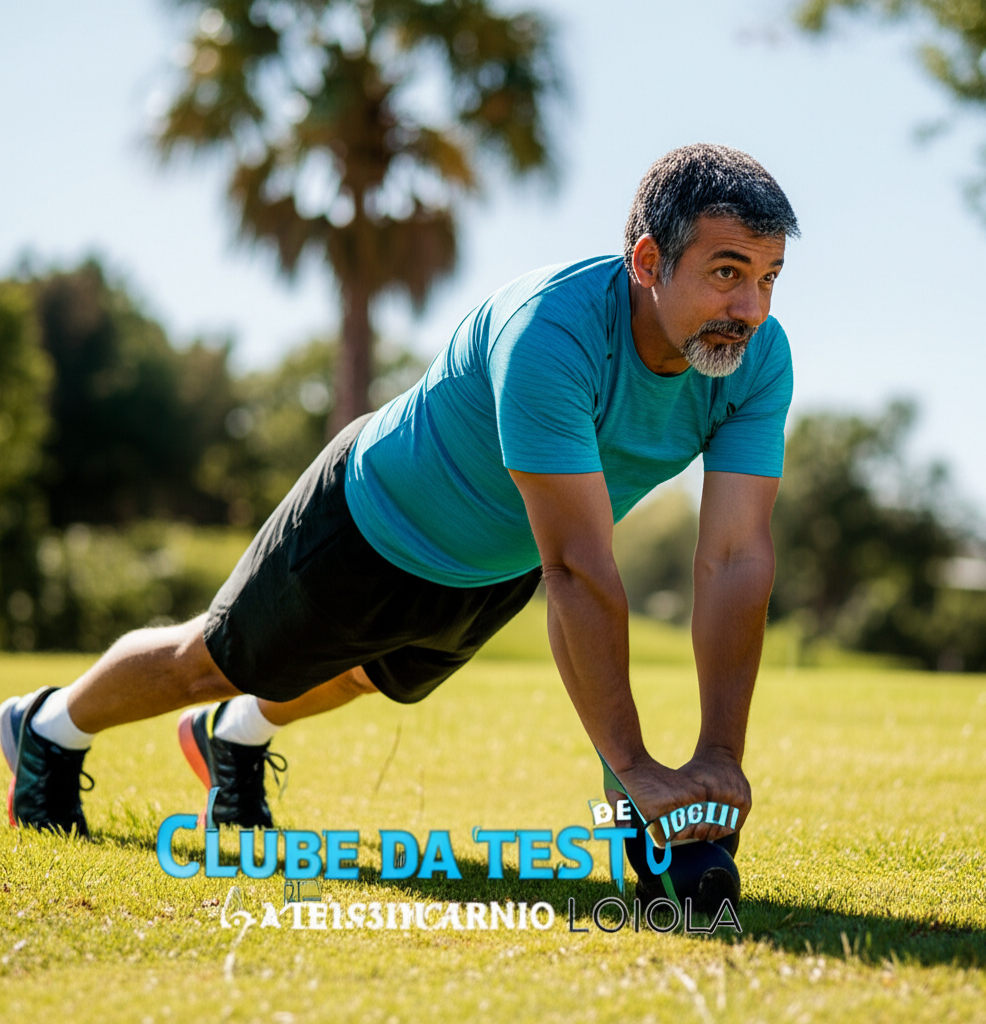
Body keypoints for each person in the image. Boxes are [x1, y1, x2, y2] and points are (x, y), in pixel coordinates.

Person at [2, 144, 798, 861]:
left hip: (499, 562)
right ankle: (46, 727)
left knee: (362, 678)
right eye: (727, 272)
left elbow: (733, 557)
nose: (751, 309)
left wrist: (720, 759)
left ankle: (233, 740)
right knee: (211, 662)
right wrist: (632, 773)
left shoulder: (756, 361)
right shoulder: (553, 334)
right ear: (649, 260)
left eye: (767, 279)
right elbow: (581, 566)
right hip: (369, 517)